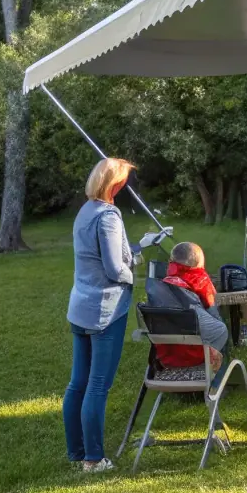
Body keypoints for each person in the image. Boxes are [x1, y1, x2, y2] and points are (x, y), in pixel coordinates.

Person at [63, 157, 142, 472]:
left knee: (77, 384)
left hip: (80, 307)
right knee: (97, 385)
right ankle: (93, 459)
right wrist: (132, 273)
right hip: (105, 311)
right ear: (117, 184)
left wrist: (129, 253)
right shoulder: (108, 216)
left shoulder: (85, 210)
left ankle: (77, 453)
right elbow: (113, 268)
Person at [149, 241, 231, 372]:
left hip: (169, 354)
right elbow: (214, 315)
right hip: (195, 352)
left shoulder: (162, 284)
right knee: (222, 330)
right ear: (199, 263)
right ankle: (217, 380)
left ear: (172, 261)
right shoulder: (201, 280)